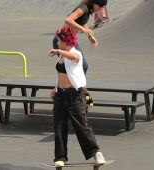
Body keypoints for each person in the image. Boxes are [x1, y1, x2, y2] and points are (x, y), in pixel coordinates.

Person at [48, 26, 106, 167]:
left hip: (75, 96)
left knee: (82, 126)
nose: (57, 43)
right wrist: (56, 88)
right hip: (60, 95)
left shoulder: (75, 53)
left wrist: (59, 51)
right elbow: (63, 74)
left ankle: (96, 153)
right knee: (59, 127)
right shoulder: (62, 56)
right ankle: (60, 157)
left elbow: (74, 57)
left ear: (65, 41)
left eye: (59, 41)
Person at [53, 0, 108, 74]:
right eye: (99, 6)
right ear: (93, 3)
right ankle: (68, 85)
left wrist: (90, 36)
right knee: (78, 66)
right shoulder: (83, 8)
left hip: (69, 41)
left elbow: (82, 22)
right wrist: (82, 28)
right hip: (62, 41)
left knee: (79, 66)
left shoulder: (87, 9)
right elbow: (68, 20)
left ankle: (71, 85)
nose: (100, 9)